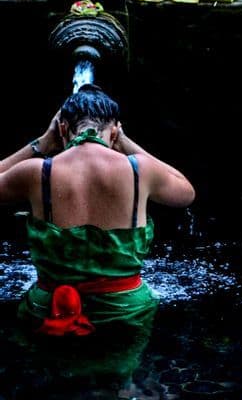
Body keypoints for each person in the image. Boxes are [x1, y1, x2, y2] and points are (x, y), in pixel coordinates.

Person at [0, 84, 195, 336]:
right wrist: (126, 144)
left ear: (61, 129)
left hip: (48, 309)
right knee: (125, 373)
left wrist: (40, 144)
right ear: (114, 132)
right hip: (126, 311)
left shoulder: (36, 172)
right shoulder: (140, 170)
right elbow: (186, 192)